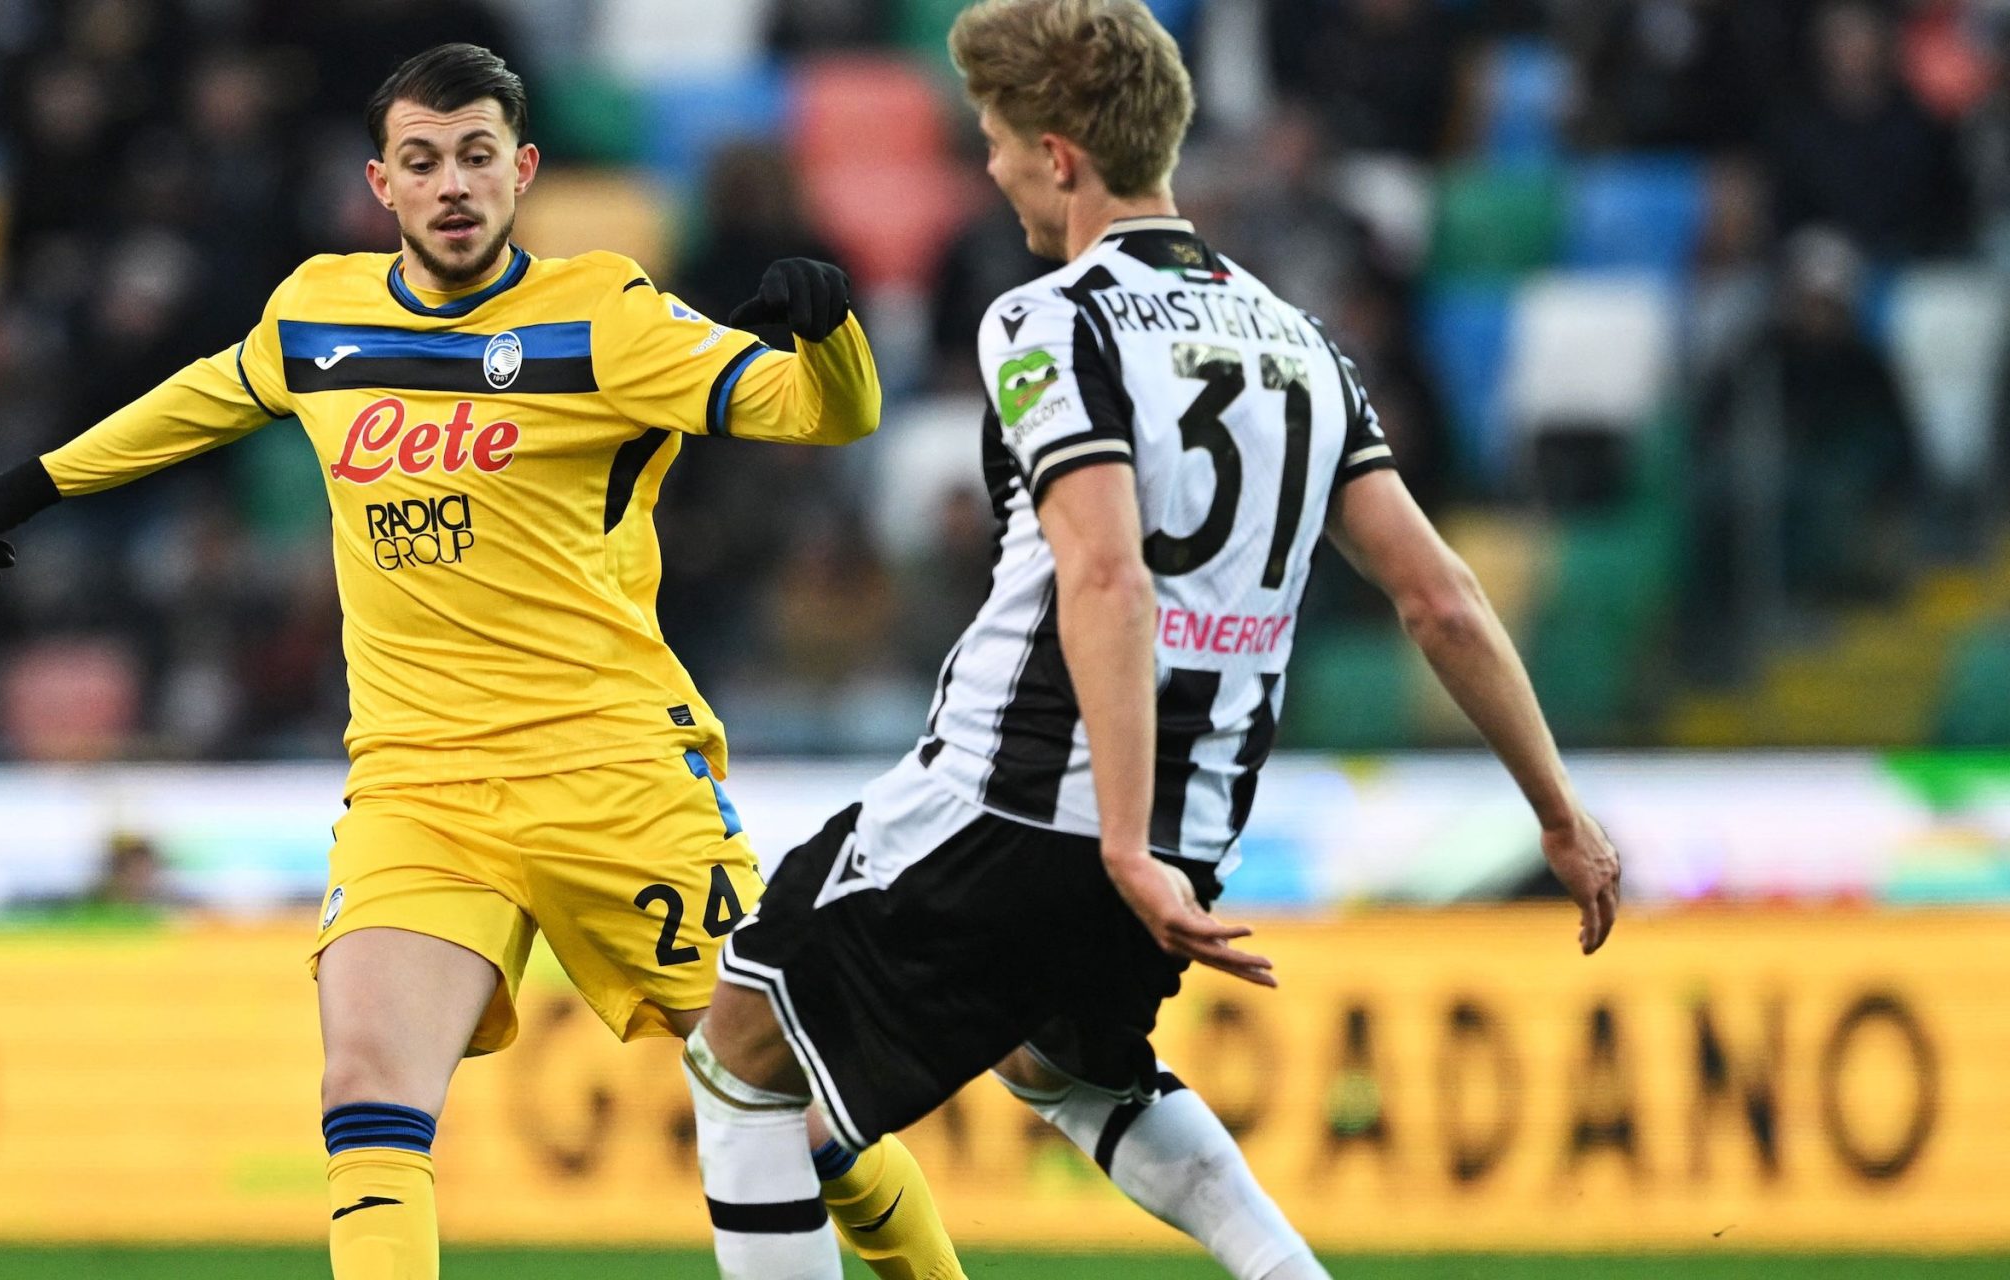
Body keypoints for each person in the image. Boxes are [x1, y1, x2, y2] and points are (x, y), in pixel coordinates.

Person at [0, 43, 964, 1280]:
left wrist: (832, 332)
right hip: (417, 785)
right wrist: (31, 486)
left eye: (477, 156)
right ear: (383, 184)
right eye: (421, 161)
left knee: (803, 1109)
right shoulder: (320, 313)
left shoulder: (606, 317)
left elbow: (826, 412)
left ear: (523, 170)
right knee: (366, 1088)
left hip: (613, 777)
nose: (452, 184)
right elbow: (202, 396)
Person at [682, 5, 1625, 1279]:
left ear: (1059, 156)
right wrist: (1560, 814)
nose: (991, 169)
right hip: (1191, 824)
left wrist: (1116, 838)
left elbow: (1106, 570)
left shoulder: (1047, 320)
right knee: (1063, 1063)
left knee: (740, 1052)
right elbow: (1439, 598)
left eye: (998, 142)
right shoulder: (1303, 345)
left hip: (1017, 799)